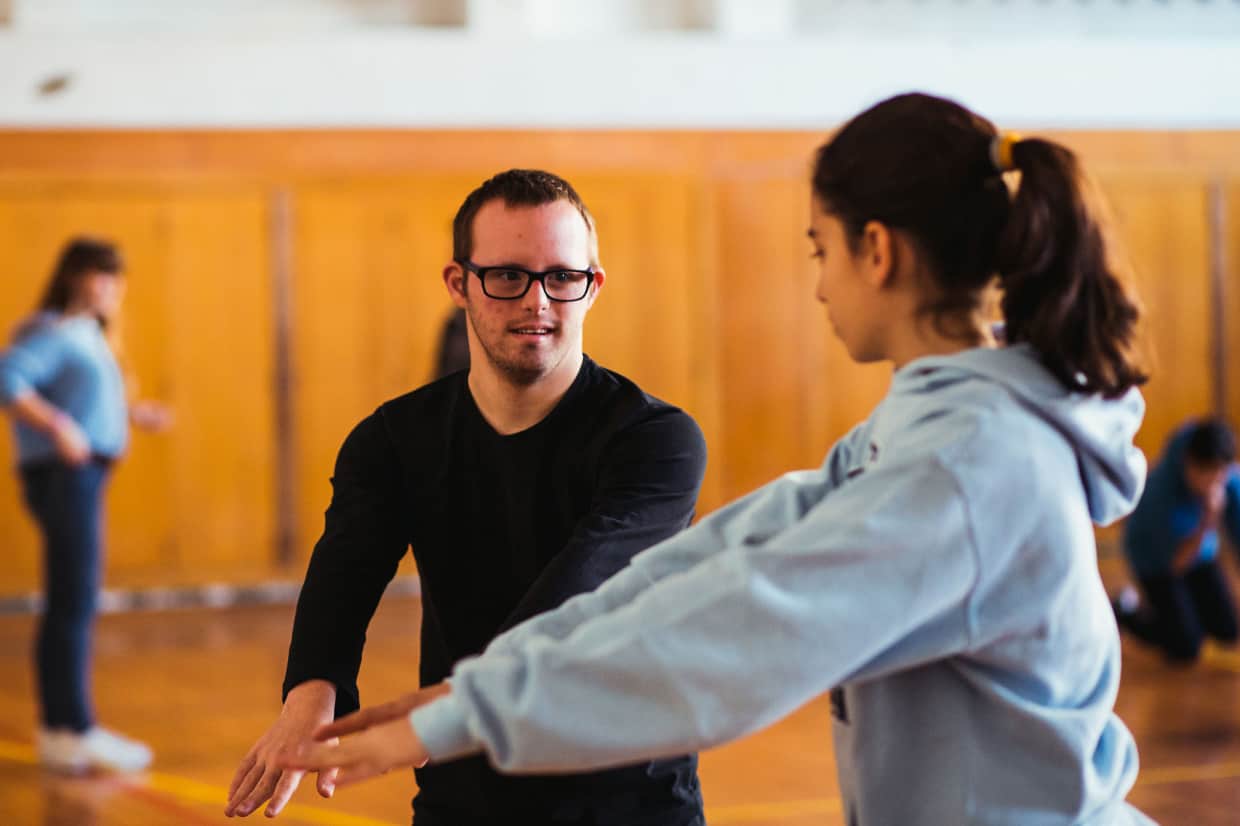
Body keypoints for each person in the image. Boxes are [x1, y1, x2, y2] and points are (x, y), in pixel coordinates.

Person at [281, 93, 1157, 826]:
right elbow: (725, 557)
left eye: (822, 249)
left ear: (878, 251)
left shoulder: (968, 465)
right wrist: (472, 693)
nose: (818, 284)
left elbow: (746, 634)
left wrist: (464, 712)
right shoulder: (923, 431)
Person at [225, 169, 708, 824]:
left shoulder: (656, 440)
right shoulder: (394, 440)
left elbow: (582, 585)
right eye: (508, 275)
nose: (537, 301)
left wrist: (452, 702)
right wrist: (312, 691)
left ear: (592, 286)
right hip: (467, 795)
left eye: (562, 277)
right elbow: (346, 569)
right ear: (460, 284)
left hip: (629, 796)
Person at [0, 236, 171, 774]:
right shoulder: (55, 330)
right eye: (102, 276)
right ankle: (71, 728)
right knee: (73, 600)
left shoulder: (88, 335)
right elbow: (7, 378)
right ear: (75, 276)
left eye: (117, 278)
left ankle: (63, 728)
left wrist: (133, 413)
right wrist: (57, 426)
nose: (113, 289)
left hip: (83, 476)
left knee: (73, 598)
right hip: (65, 475)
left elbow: (84, 396)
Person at [1114, 418, 1240, 662]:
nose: (1215, 483)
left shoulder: (1227, 478)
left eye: (1220, 474)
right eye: (1208, 474)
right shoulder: (1159, 495)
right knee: (1185, 647)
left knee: (1228, 631)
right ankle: (1125, 610)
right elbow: (1176, 565)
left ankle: (1188, 611)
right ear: (1189, 464)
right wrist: (1207, 522)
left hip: (1201, 555)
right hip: (1157, 563)